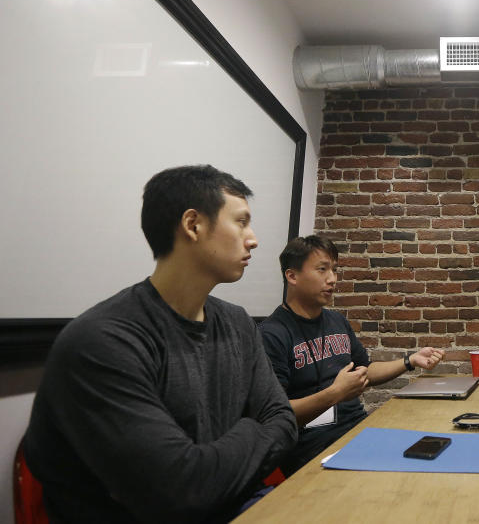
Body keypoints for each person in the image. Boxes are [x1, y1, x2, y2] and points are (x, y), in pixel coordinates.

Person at [24, 165, 297, 524]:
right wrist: (250, 428)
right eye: (241, 222)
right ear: (193, 225)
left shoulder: (237, 323)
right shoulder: (102, 341)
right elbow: (182, 492)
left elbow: (283, 421)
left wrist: (219, 457)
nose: (253, 239)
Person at [259, 235, 445, 474]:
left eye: (335, 270)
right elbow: (277, 414)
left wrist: (409, 361)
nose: (332, 279)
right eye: (322, 270)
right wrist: (335, 393)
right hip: (314, 447)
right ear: (292, 276)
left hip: (358, 431)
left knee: (428, 446)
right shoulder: (271, 335)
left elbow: (365, 368)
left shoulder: (336, 320)